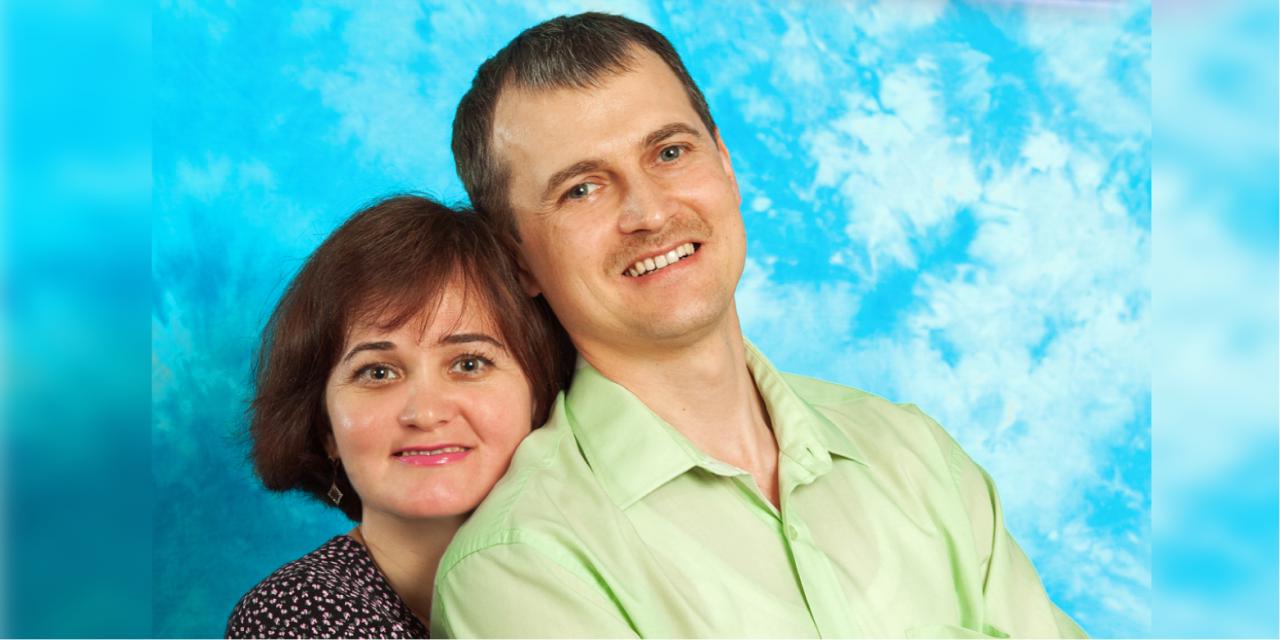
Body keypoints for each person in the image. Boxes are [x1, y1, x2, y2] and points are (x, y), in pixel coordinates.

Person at [432, 12, 1086, 638]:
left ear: (724, 164)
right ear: (517, 259)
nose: (650, 213)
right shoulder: (520, 565)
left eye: (669, 152)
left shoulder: (917, 457)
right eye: (581, 189)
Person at [225, 195, 573, 638]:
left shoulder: (589, 576)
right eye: (378, 372)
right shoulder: (296, 613)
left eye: (469, 363)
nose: (425, 413)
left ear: (539, 395)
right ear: (325, 426)